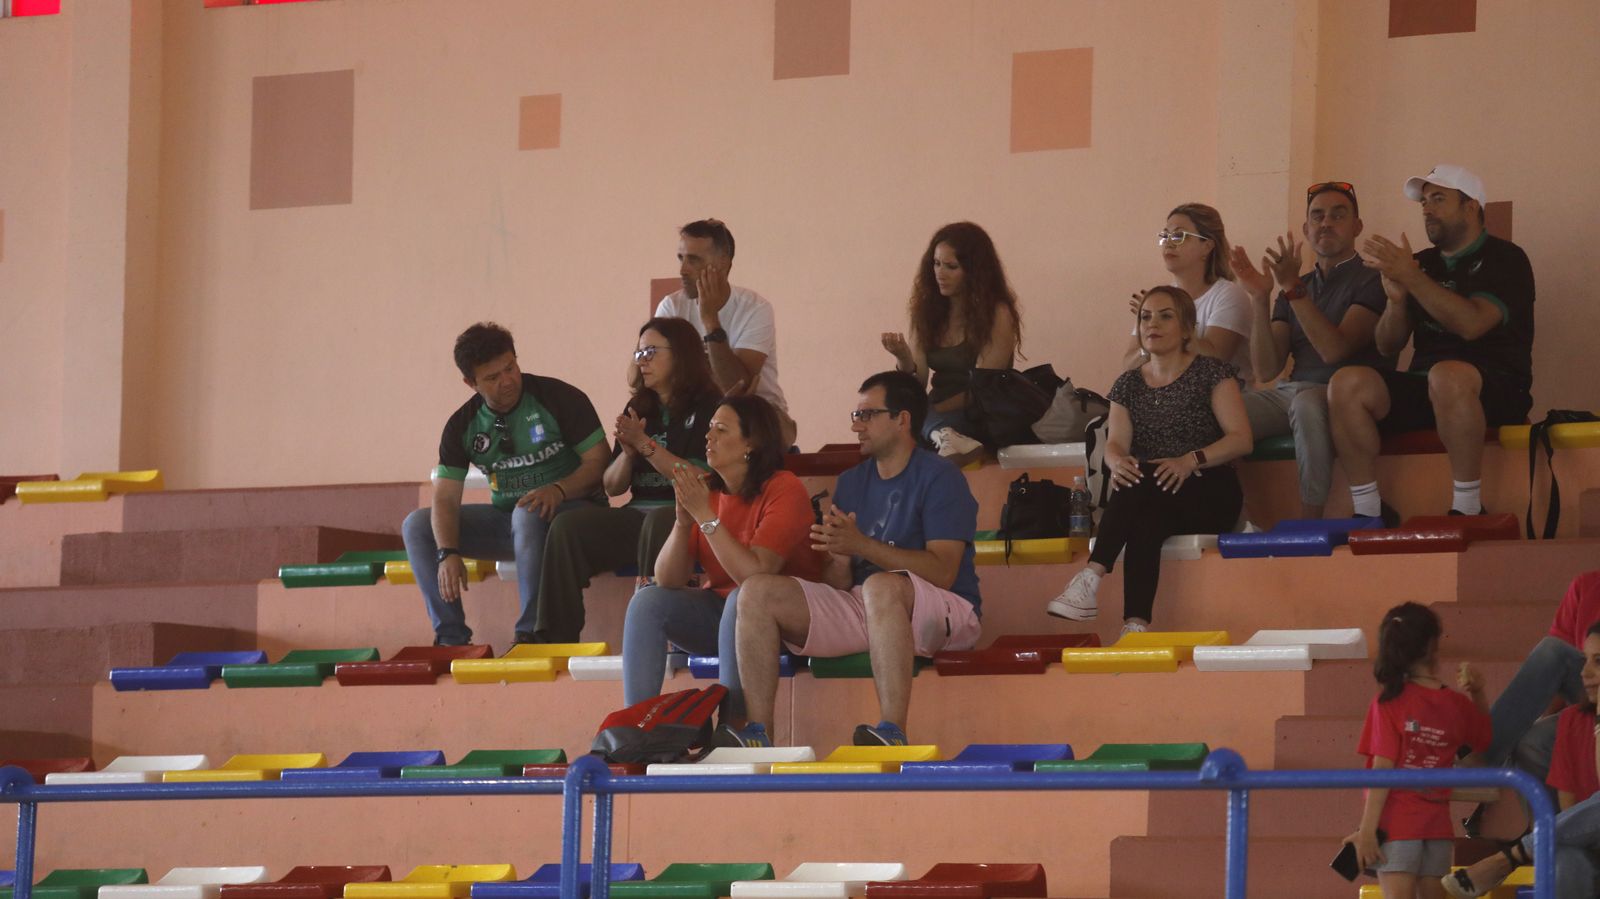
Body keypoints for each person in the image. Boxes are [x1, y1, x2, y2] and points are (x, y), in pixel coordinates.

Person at [722, 371, 983, 748]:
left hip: (947, 611)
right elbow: (838, 584)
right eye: (855, 416)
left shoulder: (941, 476)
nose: (856, 426)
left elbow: (943, 571)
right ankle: (758, 734)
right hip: (870, 606)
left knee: (880, 586)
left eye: (867, 415)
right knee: (756, 591)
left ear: (902, 419)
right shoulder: (851, 481)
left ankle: (892, 730)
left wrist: (861, 545)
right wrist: (840, 558)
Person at [1329, 165, 1535, 524]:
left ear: (1471, 207)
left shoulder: (1508, 258)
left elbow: (1472, 324)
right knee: (1346, 383)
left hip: (1498, 387)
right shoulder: (1422, 263)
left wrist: (1410, 276)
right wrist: (1395, 302)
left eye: (1438, 199)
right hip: (1429, 384)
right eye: (1424, 201)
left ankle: (1468, 506)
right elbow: (1387, 345)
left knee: (1448, 376)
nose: (1426, 209)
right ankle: (1368, 509)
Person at [1048, 287, 1251, 634]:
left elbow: (1241, 439)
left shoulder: (1212, 373)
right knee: (1146, 520)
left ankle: (1092, 575)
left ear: (1188, 328)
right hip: (1153, 490)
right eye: (1145, 316)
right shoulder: (1128, 384)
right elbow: (1115, 443)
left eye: (1165, 315)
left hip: (1209, 487)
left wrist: (1190, 460)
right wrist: (1115, 462)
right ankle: (1135, 624)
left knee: (1142, 481)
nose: (1151, 323)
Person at [402, 322, 608, 646]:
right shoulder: (461, 425)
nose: (508, 380)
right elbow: (444, 497)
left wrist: (559, 490)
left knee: (527, 512)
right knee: (417, 526)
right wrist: (447, 552)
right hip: (511, 524)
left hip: (574, 517)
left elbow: (599, 463)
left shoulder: (559, 398)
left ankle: (533, 634)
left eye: (510, 368)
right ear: (470, 383)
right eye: (493, 377)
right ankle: (450, 639)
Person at [619, 395, 820, 720]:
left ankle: (734, 729)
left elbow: (756, 577)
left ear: (751, 444)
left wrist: (705, 516)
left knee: (742, 598)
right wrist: (685, 523)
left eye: (721, 429)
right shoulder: (709, 491)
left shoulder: (785, 488)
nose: (708, 437)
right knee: (648, 601)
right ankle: (635, 726)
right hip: (723, 614)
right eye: (710, 427)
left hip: (778, 624)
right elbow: (669, 578)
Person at [533, 318, 722, 644]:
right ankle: (555, 639)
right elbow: (611, 486)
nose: (642, 360)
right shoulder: (640, 406)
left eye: (651, 351)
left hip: (686, 516)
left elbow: (697, 479)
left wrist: (646, 445)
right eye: (638, 353)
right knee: (567, 527)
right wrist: (629, 455)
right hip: (637, 514)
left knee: (659, 520)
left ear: (681, 354)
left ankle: (658, 636)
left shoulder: (709, 407)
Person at [1232, 181, 1390, 518]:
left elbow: (1335, 350)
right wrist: (1260, 298)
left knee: (1305, 403)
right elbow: (1266, 369)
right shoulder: (1297, 284)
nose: (1326, 223)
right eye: (1317, 217)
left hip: (1341, 394)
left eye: (1338, 215)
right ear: (1306, 228)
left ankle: (1310, 520)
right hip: (1291, 390)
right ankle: (1231, 516)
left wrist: (1291, 287)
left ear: (1357, 226)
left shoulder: (1371, 278)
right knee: (1221, 409)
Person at [1442, 621, 1600, 898]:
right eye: (1585, 660)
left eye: (1597, 662)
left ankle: (1508, 858)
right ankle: (1522, 851)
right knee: (1565, 861)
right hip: (1588, 838)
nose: (1584, 672)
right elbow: (1568, 804)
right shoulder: (1574, 720)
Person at [1345, 602, 1491, 899]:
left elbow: (1382, 770)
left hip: (1397, 825)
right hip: (1437, 828)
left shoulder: (1389, 702)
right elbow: (1482, 744)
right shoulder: (1457, 704)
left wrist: (1367, 830)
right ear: (1432, 645)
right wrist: (1478, 692)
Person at [880, 221, 1022, 455]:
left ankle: (940, 432)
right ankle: (941, 433)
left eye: (951, 266)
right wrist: (904, 360)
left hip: (978, 412)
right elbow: (917, 385)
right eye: (936, 264)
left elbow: (983, 390)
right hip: (935, 411)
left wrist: (928, 409)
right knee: (892, 413)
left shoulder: (997, 313)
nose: (940, 273)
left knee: (910, 420)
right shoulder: (925, 313)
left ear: (975, 272)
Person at [655, 218, 798, 448]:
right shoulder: (671, 307)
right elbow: (661, 378)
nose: (683, 270)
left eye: (694, 260)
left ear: (723, 264)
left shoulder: (755, 308)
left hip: (759, 417)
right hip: (694, 413)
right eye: (681, 258)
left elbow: (737, 387)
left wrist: (710, 320)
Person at [1121, 203, 1253, 378]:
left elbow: (1214, 362)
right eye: (1165, 235)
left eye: (1179, 236)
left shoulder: (1229, 295)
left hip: (1221, 399)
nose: (1168, 243)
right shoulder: (1158, 300)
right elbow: (1129, 367)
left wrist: (1170, 323)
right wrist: (1149, 338)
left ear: (1207, 246)